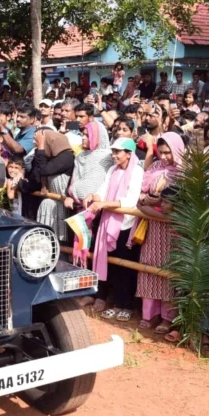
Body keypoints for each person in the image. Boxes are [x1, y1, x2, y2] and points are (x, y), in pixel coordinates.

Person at [83, 138, 144, 322]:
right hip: (108, 223)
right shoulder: (112, 170)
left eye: (118, 151)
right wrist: (93, 196)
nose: (114, 155)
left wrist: (103, 204)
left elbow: (130, 200)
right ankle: (116, 302)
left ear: (129, 154)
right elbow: (103, 189)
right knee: (113, 265)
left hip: (126, 225)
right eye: (113, 151)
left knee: (126, 266)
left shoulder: (137, 172)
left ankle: (126, 305)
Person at [134, 132, 185, 332]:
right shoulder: (154, 167)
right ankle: (149, 314)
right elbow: (142, 193)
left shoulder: (184, 172)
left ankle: (168, 317)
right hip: (152, 228)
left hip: (173, 230)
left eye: (168, 153)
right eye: (161, 152)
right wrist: (148, 201)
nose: (164, 157)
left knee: (168, 271)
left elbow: (181, 201)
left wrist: (155, 202)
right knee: (149, 266)